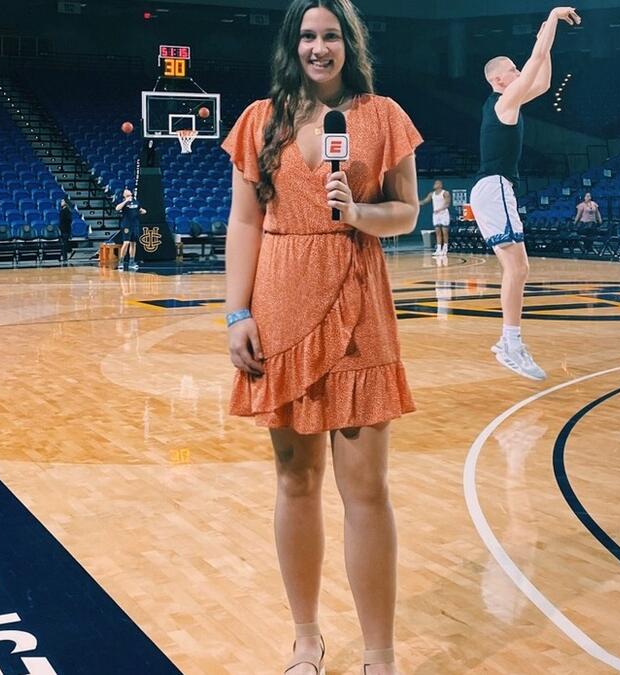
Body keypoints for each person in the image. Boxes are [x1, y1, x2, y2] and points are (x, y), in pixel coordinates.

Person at [221, 1, 420, 673]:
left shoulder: (383, 115)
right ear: (292, 44)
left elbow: (408, 210)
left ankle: (380, 654)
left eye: (330, 35)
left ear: (349, 42)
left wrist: (358, 210)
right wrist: (234, 312)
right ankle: (306, 638)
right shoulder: (259, 120)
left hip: (360, 307)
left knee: (365, 488)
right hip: (278, 308)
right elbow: (244, 223)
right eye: (307, 35)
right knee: (294, 478)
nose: (318, 46)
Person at [470, 6, 581, 381]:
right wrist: (550, 20)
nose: (520, 74)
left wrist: (544, 43)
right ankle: (510, 343)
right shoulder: (502, 101)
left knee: (518, 267)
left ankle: (510, 341)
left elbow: (544, 81)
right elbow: (534, 63)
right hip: (494, 187)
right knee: (518, 267)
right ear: (499, 79)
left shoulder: (507, 101)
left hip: (495, 189)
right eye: (513, 72)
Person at [418, 179, 451, 256]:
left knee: (444, 232)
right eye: (435, 183)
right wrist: (417, 203)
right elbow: (425, 201)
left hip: (443, 214)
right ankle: (438, 248)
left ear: (440, 185)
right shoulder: (431, 194)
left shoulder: (445, 193)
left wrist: (439, 209)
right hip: (436, 215)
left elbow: (447, 204)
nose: (434, 184)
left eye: (436, 183)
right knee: (438, 232)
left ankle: (445, 248)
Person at [115, 188, 145, 270]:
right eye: (127, 193)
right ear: (124, 195)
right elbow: (117, 208)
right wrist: (126, 201)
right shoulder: (123, 202)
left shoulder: (135, 201)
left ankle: (132, 262)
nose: (128, 193)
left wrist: (142, 211)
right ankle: (121, 261)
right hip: (126, 225)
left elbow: (140, 209)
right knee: (126, 242)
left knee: (133, 243)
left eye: (129, 192)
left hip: (135, 225)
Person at [58, 197, 74, 262]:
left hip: (64, 229)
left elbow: (63, 222)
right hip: (66, 229)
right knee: (64, 244)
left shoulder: (64, 211)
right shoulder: (68, 211)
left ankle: (65, 258)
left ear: (65, 203)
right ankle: (65, 256)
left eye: (62, 201)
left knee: (64, 244)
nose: (61, 203)